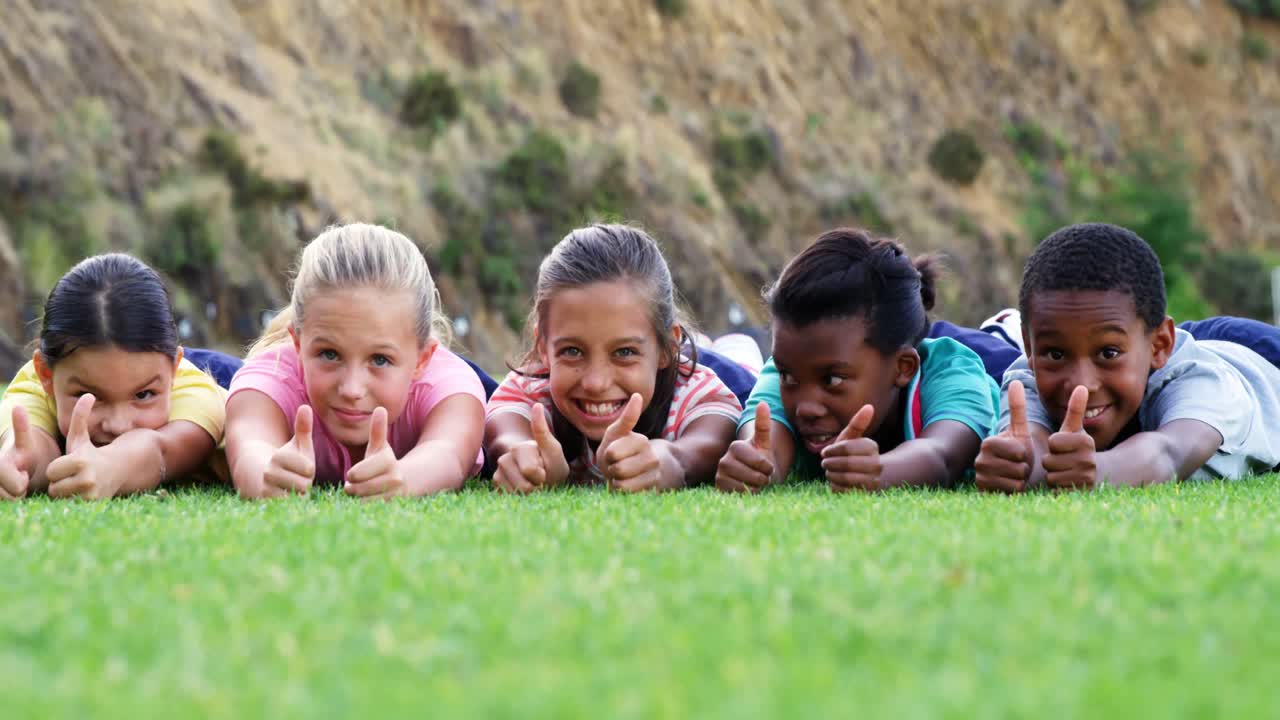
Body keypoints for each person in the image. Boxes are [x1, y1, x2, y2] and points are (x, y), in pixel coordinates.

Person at [975, 222, 1280, 492]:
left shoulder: (1204, 385)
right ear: (1028, 349)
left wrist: (1098, 471)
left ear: (1159, 346)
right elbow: (1032, 446)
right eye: (1056, 353)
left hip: (1258, 354)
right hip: (1142, 342)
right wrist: (1019, 466)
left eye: (1108, 354)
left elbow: (1167, 452)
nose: (1082, 385)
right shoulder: (1026, 378)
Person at [716, 227, 1000, 493]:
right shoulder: (790, 367)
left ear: (903, 368)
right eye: (789, 377)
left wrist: (880, 471)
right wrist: (756, 465)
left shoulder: (953, 373)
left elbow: (943, 455)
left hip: (993, 357)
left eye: (832, 380)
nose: (806, 408)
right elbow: (764, 446)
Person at [225, 223, 486, 499]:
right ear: (298, 344)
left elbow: (449, 453)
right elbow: (249, 448)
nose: (351, 389)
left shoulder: (449, 388)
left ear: (422, 359)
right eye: (329, 354)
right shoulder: (270, 379)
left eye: (380, 360)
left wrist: (405, 479)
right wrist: (267, 476)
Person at [485, 223, 743, 493]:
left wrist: (669, 461)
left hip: (716, 366)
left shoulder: (695, 391)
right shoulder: (533, 390)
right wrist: (526, 458)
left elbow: (712, 436)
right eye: (572, 351)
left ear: (667, 347)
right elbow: (504, 429)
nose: (596, 383)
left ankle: (733, 345)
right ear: (542, 347)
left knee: (734, 363)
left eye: (624, 352)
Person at [0, 254, 230, 499]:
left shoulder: (197, 392)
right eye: (89, 395)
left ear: (174, 370)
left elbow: (160, 451)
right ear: (45, 374)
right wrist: (19, 467)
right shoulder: (34, 382)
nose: (118, 425)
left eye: (143, 395)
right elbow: (31, 442)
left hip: (222, 371)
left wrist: (111, 467)